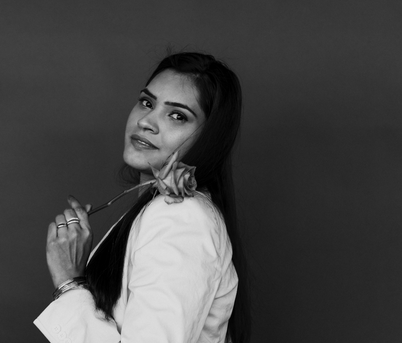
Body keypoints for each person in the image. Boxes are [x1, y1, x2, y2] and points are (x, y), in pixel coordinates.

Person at [34, 52, 251, 343]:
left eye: (177, 115)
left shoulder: (180, 218)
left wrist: (69, 283)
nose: (147, 121)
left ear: (208, 139)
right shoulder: (161, 213)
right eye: (147, 102)